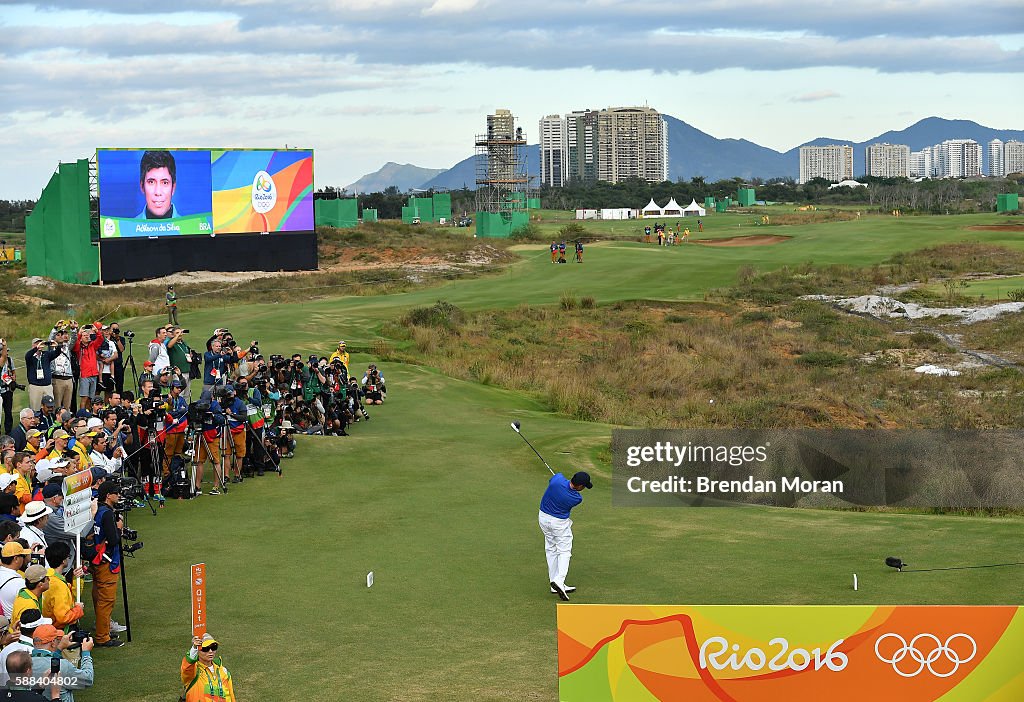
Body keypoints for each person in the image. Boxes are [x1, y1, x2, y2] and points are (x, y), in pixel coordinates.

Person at [538, 470, 592, 601]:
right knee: (565, 552)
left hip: (543, 518)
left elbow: (556, 478)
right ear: (579, 486)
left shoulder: (557, 480)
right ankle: (559, 581)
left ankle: (554, 582)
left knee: (551, 549)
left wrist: (559, 482)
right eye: (584, 486)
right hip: (559, 523)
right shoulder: (576, 498)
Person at [89, 481, 124, 647]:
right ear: (108, 495)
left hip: (97, 560)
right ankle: (103, 637)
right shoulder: (107, 514)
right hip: (107, 562)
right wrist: (119, 528)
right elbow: (113, 539)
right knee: (106, 599)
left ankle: (101, 629)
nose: (118, 495)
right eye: (116, 493)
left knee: (98, 595)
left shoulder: (98, 510)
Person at [29, 624, 94, 700]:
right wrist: (86, 653)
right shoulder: (62, 666)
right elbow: (87, 679)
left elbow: (44, 660)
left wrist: (59, 649)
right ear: (53, 642)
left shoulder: (21, 663)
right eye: (57, 639)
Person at [41, 542, 84, 632]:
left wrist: (77, 579)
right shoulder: (58, 585)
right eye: (68, 556)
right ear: (63, 561)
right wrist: (78, 609)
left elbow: (71, 596)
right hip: (61, 631)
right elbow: (63, 617)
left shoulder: (48, 577)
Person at [181, 633, 236, 702]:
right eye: (206, 649)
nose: (210, 651)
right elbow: (187, 667)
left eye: (213, 647)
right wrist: (194, 648)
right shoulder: (193, 672)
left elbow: (231, 696)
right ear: (198, 651)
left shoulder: (224, 671)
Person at [136, 150, 178, 219]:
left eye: (165, 183)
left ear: (173, 188)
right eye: (151, 182)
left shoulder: (190, 229)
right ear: (142, 186)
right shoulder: (128, 228)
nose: (158, 192)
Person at [71, 326, 104, 412]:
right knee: (84, 397)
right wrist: (79, 333)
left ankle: (89, 413)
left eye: (88, 335)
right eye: (84, 335)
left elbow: (100, 340)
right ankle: (82, 414)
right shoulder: (79, 348)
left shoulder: (92, 345)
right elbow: (75, 344)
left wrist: (96, 331)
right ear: (81, 338)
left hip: (94, 374)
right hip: (84, 375)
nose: (87, 336)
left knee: (91, 398)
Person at [24, 341, 62, 412]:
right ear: (33, 345)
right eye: (37, 343)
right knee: (35, 408)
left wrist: (57, 346)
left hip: (47, 386)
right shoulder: (30, 356)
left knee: (50, 407)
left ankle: (49, 421)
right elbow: (27, 356)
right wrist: (36, 349)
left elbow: (57, 353)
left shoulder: (46, 354)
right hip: (35, 386)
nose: (40, 345)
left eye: (41, 343)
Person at [8, 566, 48, 634]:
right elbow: (25, 631)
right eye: (47, 578)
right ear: (41, 585)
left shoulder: (26, 593)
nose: (49, 580)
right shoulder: (29, 605)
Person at [0, 541, 29, 618]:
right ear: (16, 558)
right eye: (23, 556)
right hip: (14, 626)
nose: (24, 558)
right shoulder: (19, 583)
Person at [1, 338, 18, 435]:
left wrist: (13, 378)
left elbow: (14, 372)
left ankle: (8, 431)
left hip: (7, 389)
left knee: (8, 411)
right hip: (1, 389)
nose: (6, 353)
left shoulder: (10, 360)